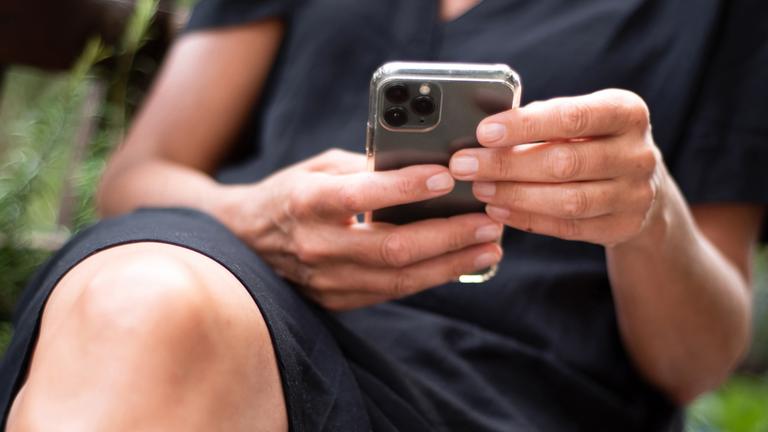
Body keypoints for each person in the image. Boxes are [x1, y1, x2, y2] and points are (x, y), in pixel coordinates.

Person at [2, 0, 767, 430]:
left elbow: (695, 362)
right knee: (143, 307)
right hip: (257, 306)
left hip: (514, 396)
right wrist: (257, 215)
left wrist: (649, 214)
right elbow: (136, 178)